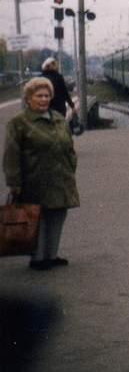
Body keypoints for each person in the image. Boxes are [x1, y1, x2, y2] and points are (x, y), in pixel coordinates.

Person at [3, 77, 80, 270]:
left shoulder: (59, 118)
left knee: (58, 215)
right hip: (35, 179)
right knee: (38, 217)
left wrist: (71, 165)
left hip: (61, 177)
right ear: (29, 98)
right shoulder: (18, 123)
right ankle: (37, 258)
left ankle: (52, 255)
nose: (44, 99)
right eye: (39, 96)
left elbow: (69, 145)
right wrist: (14, 183)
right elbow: (11, 155)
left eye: (47, 95)